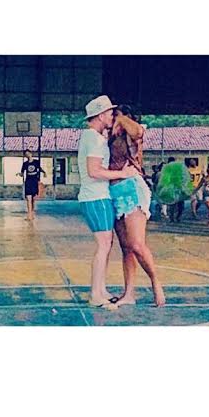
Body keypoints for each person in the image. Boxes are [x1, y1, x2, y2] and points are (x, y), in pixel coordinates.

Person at [77, 95, 138, 308]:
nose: (113, 116)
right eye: (110, 113)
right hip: (96, 197)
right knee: (103, 245)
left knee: (106, 244)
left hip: (97, 196)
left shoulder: (93, 137)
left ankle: (100, 289)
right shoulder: (94, 139)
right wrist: (123, 173)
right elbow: (94, 171)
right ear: (101, 115)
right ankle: (95, 294)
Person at [108, 105, 165, 308]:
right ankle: (129, 293)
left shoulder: (131, 133)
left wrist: (121, 119)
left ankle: (155, 281)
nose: (113, 119)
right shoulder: (110, 136)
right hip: (114, 191)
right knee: (126, 247)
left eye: (115, 115)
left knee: (136, 244)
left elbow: (139, 131)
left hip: (131, 189)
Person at [17, 149, 46, 221]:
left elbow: (40, 169)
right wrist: (19, 174)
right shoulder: (25, 164)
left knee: (33, 199)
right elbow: (22, 173)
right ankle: (29, 215)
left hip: (34, 181)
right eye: (26, 155)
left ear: (31, 154)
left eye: (28, 154)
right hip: (28, 181)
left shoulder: (36, 162)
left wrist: (44, 172)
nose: (27, 155)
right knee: (28, 198)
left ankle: (32, 213)